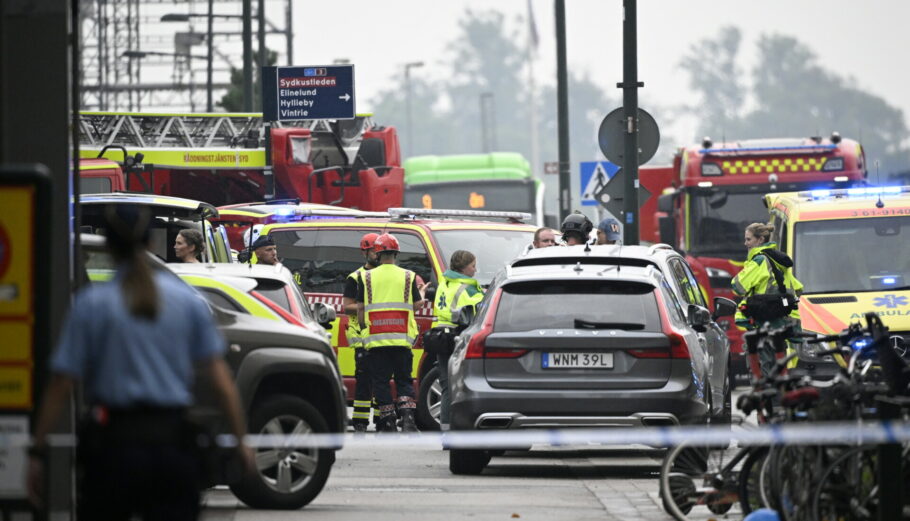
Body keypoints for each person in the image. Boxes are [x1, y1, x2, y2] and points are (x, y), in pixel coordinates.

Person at [28, 204, 253, 520]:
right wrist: (241, 443)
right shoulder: (185, 302)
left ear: (109, 247)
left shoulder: (91, 305)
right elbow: (222, 384)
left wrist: (36, 452)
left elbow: (61, 384)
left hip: (113, 450)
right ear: (150, 245)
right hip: (172, 448)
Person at [357, 233, 424, 432]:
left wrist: (363, 328)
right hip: (402, 339)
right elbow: (415, 305)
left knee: (381, 382)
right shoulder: (408, 276)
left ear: (377, 253)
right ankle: (408, 417)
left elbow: (360, 308)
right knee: (404, 380)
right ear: (396, 253)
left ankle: (387, 421)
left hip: (376, 340)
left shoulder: (366, 276)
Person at [731, 222, 804, 377]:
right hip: (780, 323)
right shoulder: (778, 261)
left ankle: (765, 399)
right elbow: (798, 288)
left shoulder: (760, 261)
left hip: (761, 323)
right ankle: (779, 398)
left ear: (760, 240)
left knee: (761, 370)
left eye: (748, 239)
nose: (745, 243)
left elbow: (738, 286)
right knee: (779, 366)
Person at [430, 250, 484, 431]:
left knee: (446, 387)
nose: (475, 270)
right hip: (457, 338)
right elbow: (482, 312)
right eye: (473, 266)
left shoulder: (445, 282)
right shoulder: (467, 287)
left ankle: (446, 433)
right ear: (463, 267)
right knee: (462, 388)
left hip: (440, 336)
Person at [343, 233, 382, 433]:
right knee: (364, 382)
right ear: (365, 252)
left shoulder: (386, 276)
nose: (378, 254)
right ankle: (360, 422)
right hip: (362, 338)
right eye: (374, 250)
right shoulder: (355, 278)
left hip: (383, 336)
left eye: (380, 250)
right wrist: (366, 307)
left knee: (382, 380)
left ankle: (382, 419)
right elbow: (346, 306)